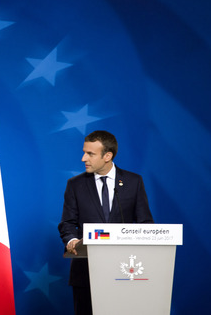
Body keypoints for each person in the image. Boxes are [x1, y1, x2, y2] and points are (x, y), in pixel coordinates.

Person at [58, 130, 154, 315]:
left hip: (125, 271)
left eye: (90, 154)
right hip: (85, 272)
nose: (83, 158)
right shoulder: (75, 184)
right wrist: (71, 241)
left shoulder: (134, 182)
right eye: (84, 152)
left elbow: (145, 223)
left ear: (108, 156)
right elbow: (67, 223)